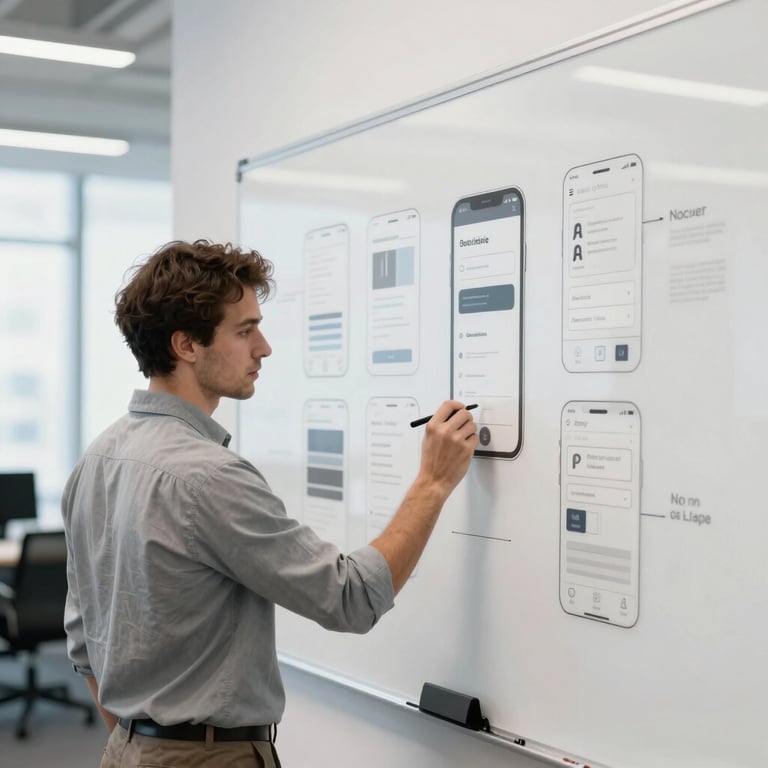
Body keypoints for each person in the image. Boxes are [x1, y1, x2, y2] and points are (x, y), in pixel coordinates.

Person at [62, 239, 478, 767]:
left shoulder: (96, 459)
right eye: (244, 331)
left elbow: (82, 640)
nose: (264, 347)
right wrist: (433, 482)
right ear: (187, 345)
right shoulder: (208, 477)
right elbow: (350, 598)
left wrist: (141, 742)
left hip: (125, 750)